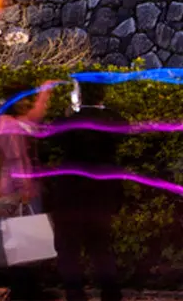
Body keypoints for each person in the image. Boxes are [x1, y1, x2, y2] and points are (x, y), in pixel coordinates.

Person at [43, 86, 125, 301]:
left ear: (79, 94)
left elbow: (51, 137)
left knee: (69, 250)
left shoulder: (68, 122)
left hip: (70, 193)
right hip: (102, 193)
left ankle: (75, 295)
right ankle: (111, 294)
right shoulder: (113, 120)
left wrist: (68, 113)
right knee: (101, 248)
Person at [0, 83, 60, 301]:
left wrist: (45, 93)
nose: (27, 103)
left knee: (30, 242)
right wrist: (24, 189)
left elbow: (35, 118)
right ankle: (22, 292)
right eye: (24, 99)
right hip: (18, 190)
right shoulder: (8, 125)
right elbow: (14, 159)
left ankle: (29, 290)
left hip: (23, 187)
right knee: (22, 243)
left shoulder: (16, 122)